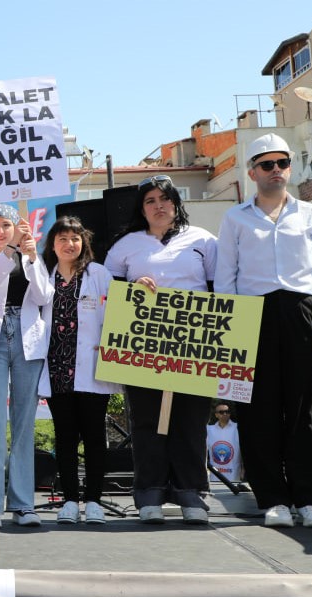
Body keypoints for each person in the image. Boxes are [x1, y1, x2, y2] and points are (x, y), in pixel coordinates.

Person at [216, 132, 312, 529]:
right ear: (252, 172)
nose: (276, 170)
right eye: (267, 164)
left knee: (306, 410)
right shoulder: (235, 218)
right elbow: (225, 276)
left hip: (302, 312)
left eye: (283, 163)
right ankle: (272, 499)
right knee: (258, 411)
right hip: (251, 315)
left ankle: (310, 500)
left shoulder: (310, 214)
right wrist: (230, 330)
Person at [106, 174, 217, 525]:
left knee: (191, 421)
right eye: (150, 201)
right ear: (142, 209)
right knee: (146, 420)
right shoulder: (125, 245)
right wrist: (131, 286)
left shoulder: (204, 240)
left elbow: (220, 287)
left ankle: (192, 493)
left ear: (176, 203)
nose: (158, 206)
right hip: (143, 344)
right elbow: (106, 288)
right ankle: (149, 492)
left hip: (194, 344)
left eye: (165, 199)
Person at [0, 204, 51, 528]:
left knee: (24, 421)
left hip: (27, 339)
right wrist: (10, 252)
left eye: (7, 225)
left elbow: (43, 296)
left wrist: (31, 257)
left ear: (18, 227)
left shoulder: (31, 256)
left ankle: (23, 504)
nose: (0, 231)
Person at [38, 217, 120, 525]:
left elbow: (117, 311)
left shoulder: (98, 274)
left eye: (75, 238)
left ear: (84, 242)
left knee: (95, 437)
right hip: (58, 369)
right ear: (52, 244)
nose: (69, 244)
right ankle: (70, 500)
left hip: (92, 367)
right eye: (62, 238)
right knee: (65, 438)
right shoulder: (43, 276)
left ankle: (94, 500)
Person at [206, 402, 242, 485]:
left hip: (234, 473)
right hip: (215, 475)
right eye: (221, 412)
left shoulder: (237, 428)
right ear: (216, 415)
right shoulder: (209, 429)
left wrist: (243, 469)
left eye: (227, 411)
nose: (225, 414)